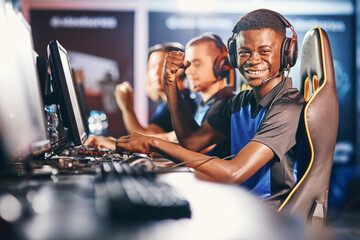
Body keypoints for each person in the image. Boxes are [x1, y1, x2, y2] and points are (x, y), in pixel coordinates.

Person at [115, 9, 305, 208]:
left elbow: (235, 172)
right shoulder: (240, 102)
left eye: (264, 51)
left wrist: (152, 143)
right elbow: (191, 142)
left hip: (271, 217)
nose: (253, 60)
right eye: (244, 52)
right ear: (233, 56)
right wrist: (169, 83)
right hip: (239, 205)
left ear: (287, 54)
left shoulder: (288, 107)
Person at [84, 42, 197, 149]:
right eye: (152, 67)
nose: (156, 72)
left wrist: (127, 107)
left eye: (163, 65)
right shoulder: (167, 102)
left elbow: (146, 138)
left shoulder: (182, 102)